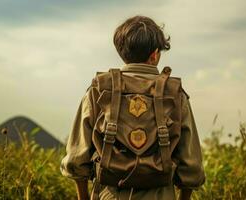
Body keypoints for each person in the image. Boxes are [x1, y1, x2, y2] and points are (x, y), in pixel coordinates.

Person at [61, 15, 205, 200]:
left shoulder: (98, 89)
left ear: (122, 52)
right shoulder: (175, 94)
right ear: (155, 54)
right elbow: (191, 166)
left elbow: (76, 159)